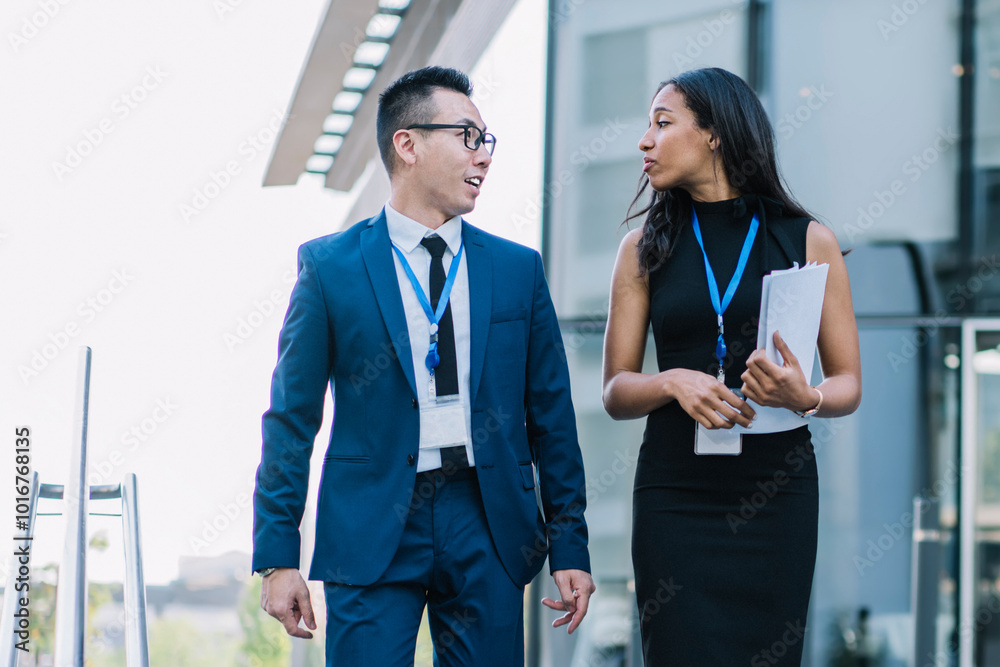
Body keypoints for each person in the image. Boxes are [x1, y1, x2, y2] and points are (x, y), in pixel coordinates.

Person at [252, 65, 595, 666]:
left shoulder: (517, 269)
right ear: (407, 145)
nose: (484, 155)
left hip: (487, 516)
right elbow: (291, 419)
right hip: (371, 519)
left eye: (486, 140)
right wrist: (278, 557)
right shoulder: (330, 268)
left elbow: (552, 418)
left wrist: (571, 545)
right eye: (468, 136)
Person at [602, 67, 861, 664]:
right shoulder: (641, 248)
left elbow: (848, 383)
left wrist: (806, 396)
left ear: (714, 134)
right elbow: (615, 390)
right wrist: (671, 381)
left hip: (776, 494)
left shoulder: (807, 239)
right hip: (675, 494)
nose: (644, 140)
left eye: (662, 123)